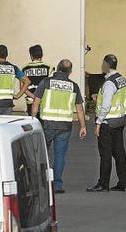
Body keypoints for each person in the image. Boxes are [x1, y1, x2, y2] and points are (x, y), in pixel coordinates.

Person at [31, 59, 87, 193]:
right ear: (70, 72)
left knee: (42, 154)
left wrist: (32, 119)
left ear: (57, 68)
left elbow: (36, 103)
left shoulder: (46, 82)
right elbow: (79, 108)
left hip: (47, 124)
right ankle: (57, 185)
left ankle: (40, 183)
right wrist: (83, 126)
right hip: (65, 126)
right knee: (60, 156)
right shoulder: (73, 86)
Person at [87, 54, 126, 193]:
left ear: (105, 65)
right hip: (119, 120)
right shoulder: (121, 79)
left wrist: (98, 122)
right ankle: (124, 183)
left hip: (107, 122)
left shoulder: (109, 83)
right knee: (119, 152)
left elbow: (106, 105)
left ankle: (103, 183)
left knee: (105, 154)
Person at [22, 45, 51, 118]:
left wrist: (34, 97)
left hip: (30, 101)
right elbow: (51, 86)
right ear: (42, 55)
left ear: (31, 56)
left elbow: (23, 88)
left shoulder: (24, 68)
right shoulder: (49, 67)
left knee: (33, 124)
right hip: (44, 101)